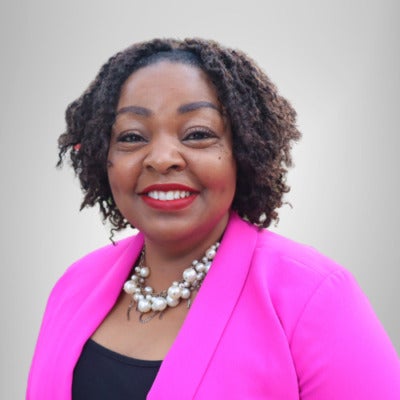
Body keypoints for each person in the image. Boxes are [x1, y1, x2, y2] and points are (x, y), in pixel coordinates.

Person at [27, 38, 400, 399]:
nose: (162, 158)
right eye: (132, 137)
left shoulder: (314, 298)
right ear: (102, 156)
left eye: (197, 134)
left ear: (243, 150)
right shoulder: (74, 287)